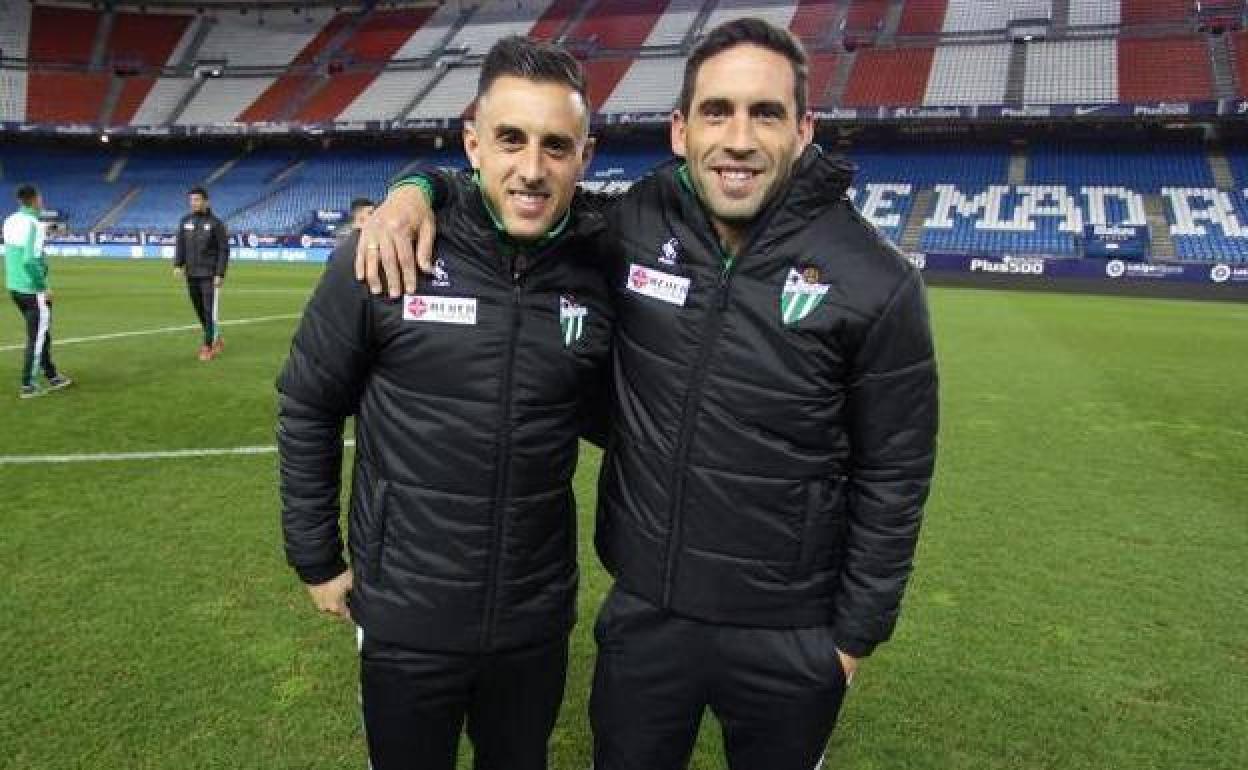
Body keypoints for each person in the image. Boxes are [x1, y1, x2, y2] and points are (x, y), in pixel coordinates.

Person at [360, 19, 939, 770]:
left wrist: (852, 638)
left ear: (804, 128)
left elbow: (895, 472)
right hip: (646, 615)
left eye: (764, 113)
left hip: (789, 633)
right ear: (680, 129)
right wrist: (419, 186)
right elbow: (530, 189)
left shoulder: (877, 280)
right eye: (716, 111)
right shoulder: (635, 222)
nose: (738, 138)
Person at [277, 37, 612, 770]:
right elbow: (308, 402)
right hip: (405, 614)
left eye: (557, 145)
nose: (532, 167)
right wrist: (315, 557)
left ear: (585, 156)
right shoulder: (385, 252)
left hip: (534, 618)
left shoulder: (601, 263)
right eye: (510, 139)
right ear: (472, 143)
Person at [4, 184, 72, 399]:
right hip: (32, 289)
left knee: (42, 334)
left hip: (15, 287)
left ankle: (50, 374)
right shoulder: (34, 225)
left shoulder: (9, 220)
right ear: (35, 199)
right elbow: (30, 260)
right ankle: (28, 384)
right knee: (37, 337)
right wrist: (43, 287)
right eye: (40, 196)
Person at [173, 186, 229, 361]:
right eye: (191, 200)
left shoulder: (216, 223)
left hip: (209, 275)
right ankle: (216, 337)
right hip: (191, 274)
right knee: (199, 310)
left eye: (197, 200)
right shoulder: (185, 221)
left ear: (206, 201)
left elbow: (224, 249)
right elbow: (180, 244)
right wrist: (177, 265)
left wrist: (220, 273)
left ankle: (207, 346)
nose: (193, 203)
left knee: (209, 311)